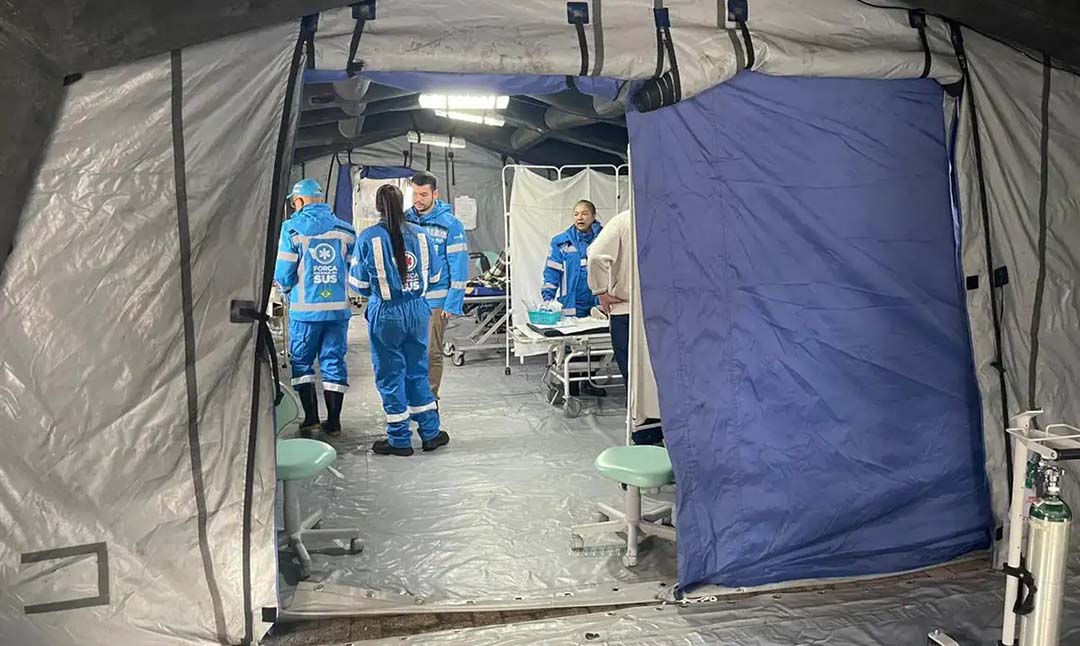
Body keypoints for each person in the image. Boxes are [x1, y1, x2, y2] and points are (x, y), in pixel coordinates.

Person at [351, 184, 450, 456]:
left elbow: (359, 285)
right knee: (418, 370)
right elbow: (435, 277)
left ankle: (399, 439)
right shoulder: (422, 235)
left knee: (390, 373)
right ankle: (430, 433)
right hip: (418, 310)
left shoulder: (368, 237)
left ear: (378, 207)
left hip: (386, 312)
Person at [274, 178, 355, 437]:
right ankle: (334, 423)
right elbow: (353, 270)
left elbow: (283, 272)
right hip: (337, 311)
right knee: (334, 361)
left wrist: (286, 290)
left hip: (305, 311)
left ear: (299, 201)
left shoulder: (291, 230)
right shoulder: (345, 230)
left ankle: (311, 420)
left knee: (302, 362)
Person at [586, 209, 664, 445]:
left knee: (636, 380)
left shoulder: (624, 220)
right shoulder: (672, 216)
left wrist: (601, 291)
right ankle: (670, 436)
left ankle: (645, 438)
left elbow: (595, 255)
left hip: (627, 310)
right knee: (665, 376)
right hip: (666, 311)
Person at [405, 171, 469, 399]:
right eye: (414, 194)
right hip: (409, 299)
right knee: (408, 351)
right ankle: (412, 397)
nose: (418, 199)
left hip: (436, 301)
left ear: (435, 194)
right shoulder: (405, 220)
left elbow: (459, 267)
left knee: (431, 352)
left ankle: (430, 401)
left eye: (423, 194)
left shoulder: (450, 225)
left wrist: (452, 303)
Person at [543, 199, 606, 397]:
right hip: (572, 302)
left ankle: (589, 381)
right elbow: (552, 271)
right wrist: (548, 297)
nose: (580, 217)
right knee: (574, 344)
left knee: (597, 342)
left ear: (593, 216)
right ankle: (572, 383)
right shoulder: (562, 242)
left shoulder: (605, 239)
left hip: (598, 300)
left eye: (585, 213)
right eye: (576, 214)